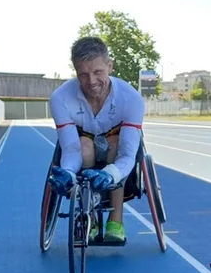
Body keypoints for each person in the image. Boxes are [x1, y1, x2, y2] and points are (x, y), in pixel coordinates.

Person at [48, 37, 145, 243]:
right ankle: (87, 217)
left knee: (117, 146)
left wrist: (112, 174)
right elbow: (72, 149)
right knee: (84, 146)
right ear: (75, 71)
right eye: (83, 74)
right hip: (84, 145)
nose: (91, 81)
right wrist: (67, 172)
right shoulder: (60, 98)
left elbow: (128, 153)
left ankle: (116, 220)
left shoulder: (132, 99)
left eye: (98, 72)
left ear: (110, 66)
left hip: (115, 145)